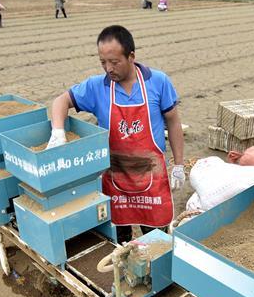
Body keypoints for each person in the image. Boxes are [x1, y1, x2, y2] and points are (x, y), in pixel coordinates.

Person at [46, 25, 186, 243]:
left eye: (114, 62)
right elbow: (61, 101)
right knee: (119, 239)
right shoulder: (96, 87)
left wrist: (179, 165)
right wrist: (58, 131)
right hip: (116, 179)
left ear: (131, 56)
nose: (108, 68)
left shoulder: (157, 81)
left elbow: (174, 122)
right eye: (103, 62)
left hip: (152, 177)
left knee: (158, 241)